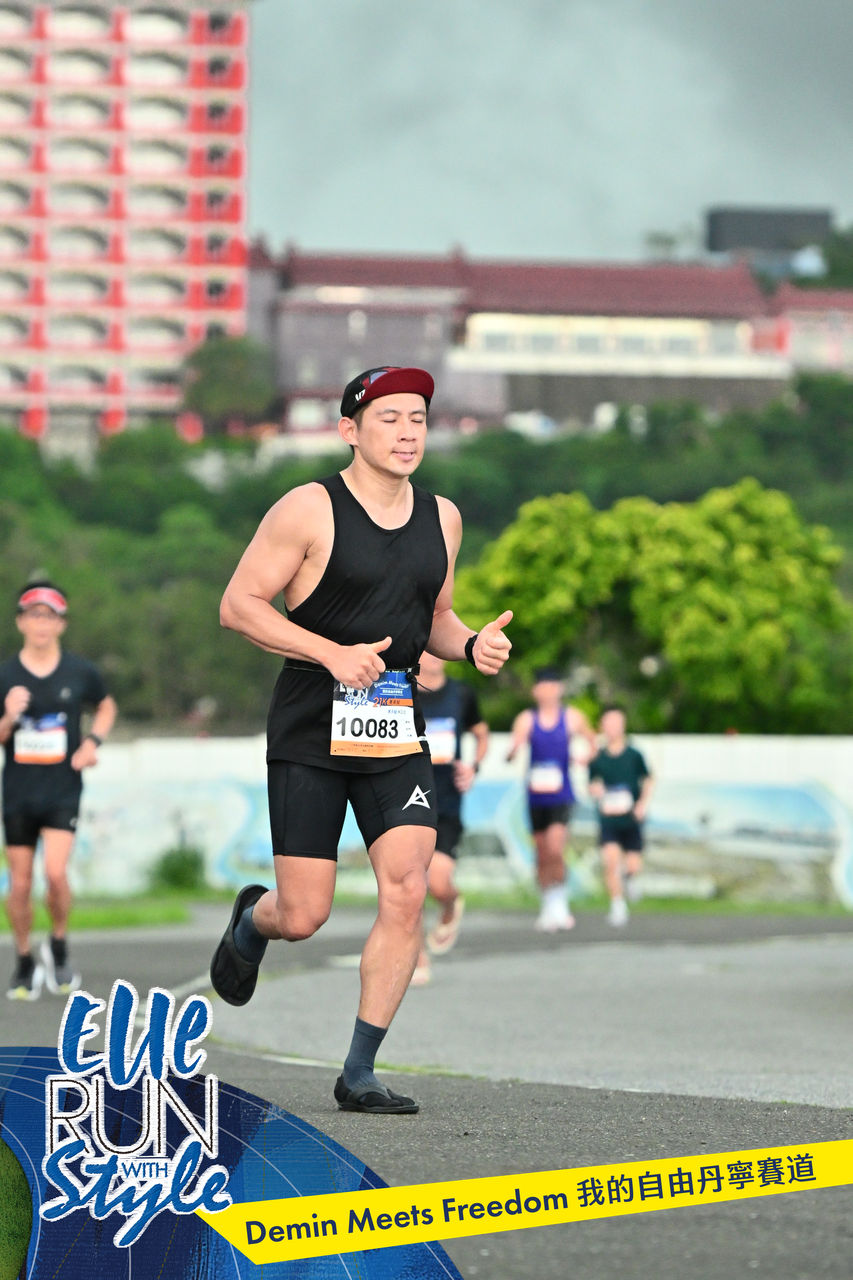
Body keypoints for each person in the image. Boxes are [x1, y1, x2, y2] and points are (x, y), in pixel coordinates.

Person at [209, 366, 512, 1114]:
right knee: (304, 915)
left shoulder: (443, 518)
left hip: (394, 723)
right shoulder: (308, 508)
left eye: (418, 419)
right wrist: (330, 653)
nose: (407, 433)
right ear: (350, 430)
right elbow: (239, 605)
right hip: (312, 720)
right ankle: (253, 920)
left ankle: (359, 1071)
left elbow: (435, 618)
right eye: (389, 419)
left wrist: (471, 644)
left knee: (406, 887)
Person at [0, 581, 117, 1000]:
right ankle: (24, 958)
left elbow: (105, 706)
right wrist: (8, 717)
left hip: (62, 789)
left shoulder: (80, 672)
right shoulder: (5, 676)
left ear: (61, 624)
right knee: (19, 884)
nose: (41, 624)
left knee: (54, 874)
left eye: (49, 616)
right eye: (34, 615)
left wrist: (92, 743)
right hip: (18, 792)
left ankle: (60, 944)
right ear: (21, 622)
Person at [410, 650, 490, 986]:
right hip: (406, 798)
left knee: (438, 882)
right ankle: (417, 958)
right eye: (427, 648)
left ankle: (450, 903)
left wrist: (473, 766)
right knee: (410, 883)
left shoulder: (461, 694)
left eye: (438, 648)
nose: (434, 656)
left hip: (447, 803)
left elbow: (481, 733)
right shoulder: (401, 689)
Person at [506, 667, 596, 931]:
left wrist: (584, 758)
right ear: (535, 691)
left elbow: (593, 742)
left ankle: (560, 901)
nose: (548, 691)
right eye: (543, 686)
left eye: (552, 686)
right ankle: (547, 903)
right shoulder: (526, 719)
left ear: (560, 689)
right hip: (536, 797)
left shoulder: (572, 718)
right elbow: (513, 749)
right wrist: (513, 751)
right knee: (542, 853)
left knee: (556, 849)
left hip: (561, 795)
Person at [588, 705, 654, 926]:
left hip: (631, 818)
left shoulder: (634, 755)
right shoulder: (597, 757)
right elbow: (592, 783)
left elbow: (648, 779)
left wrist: (642, 804)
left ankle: (630, 879)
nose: (613, 727)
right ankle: (617, 905)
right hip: (608, 819)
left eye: (617, 722)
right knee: (611, 862)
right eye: (608, 722)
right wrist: (595, 790)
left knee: (633, 866)